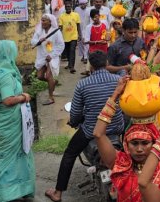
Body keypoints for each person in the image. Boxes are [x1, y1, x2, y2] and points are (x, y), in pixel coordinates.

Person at [45, 51, 124, 202]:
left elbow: (75, 112)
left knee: (69, 154)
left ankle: (57, 193)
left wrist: (74, 122)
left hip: (91, 131)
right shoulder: (118, 80)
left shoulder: (83, 84)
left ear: (91, 66)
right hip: (116, 128)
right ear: (107, 64)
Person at [0, 41, 35, 202]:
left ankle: (3, 191)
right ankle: (5, 192)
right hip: (8, 122)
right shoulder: (5, 75)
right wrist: (24, 97)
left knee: (0, 155)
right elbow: (8, 100)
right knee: (9, 156)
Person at [32, 14, 65, 105]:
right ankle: (53, 82)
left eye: (44, 20)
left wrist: (52, 55)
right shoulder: (39, 31)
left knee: (48, 76)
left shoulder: (56, 32)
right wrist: (39, 41)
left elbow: (61, 45)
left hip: (52, 57)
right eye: (42, 20)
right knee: (39, 76)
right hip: (42, 56)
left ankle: (51, 97)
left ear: (50, 22)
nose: (42, 22)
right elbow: (33, 42)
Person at [59, 1, 82, 74]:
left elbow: (78, 25)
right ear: (65, 7)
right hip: (65, 37)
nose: (68, 8)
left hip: (73, 36)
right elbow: (60, 27)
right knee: (67, 51)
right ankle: (69, 63)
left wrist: (80, 34)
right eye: (67, 6)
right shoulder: (62, 16)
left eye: (69, 6)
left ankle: (72, 67)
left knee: (72, 50)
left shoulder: (76, 15)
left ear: (71, 7)